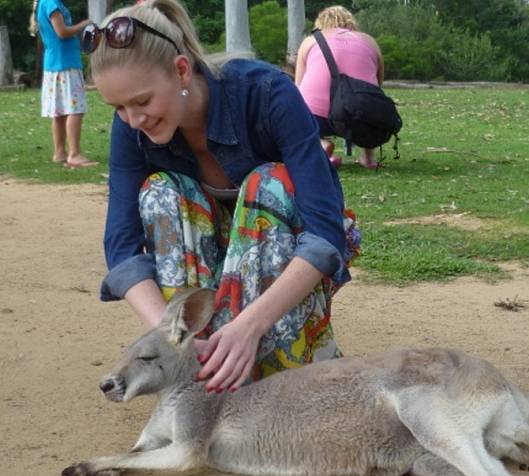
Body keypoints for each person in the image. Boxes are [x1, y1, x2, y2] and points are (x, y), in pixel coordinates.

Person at [84, 0, 360, 393]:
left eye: (143, 102)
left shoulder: (266, 92)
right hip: (211, 269)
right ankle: (206, 362)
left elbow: (324, 231)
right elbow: (122, 245)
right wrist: (173, 339)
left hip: (286, 253)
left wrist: (249, 326)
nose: (134, 120)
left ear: (181, 69)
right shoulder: (130, 126)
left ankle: (282, 357)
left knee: (270, 182)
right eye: (119, 108)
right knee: (160, 191)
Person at [295, 6, 384, 170]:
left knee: (302, 112)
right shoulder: (369, 41)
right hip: (361, 117)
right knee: (369, 103)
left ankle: (320, 145)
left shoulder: (310, 41)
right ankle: (368, 158)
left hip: (317, 117)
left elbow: (298, 90)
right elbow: (377, 88)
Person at [29, 0, 97, 168]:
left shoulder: (45, 3)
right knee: (75, 109)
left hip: (53, 64)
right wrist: (84, 24)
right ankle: (74, 154)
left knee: (59, 111)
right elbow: (62, 32)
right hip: (66, 64)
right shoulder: (52, 3)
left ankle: (60, 152)